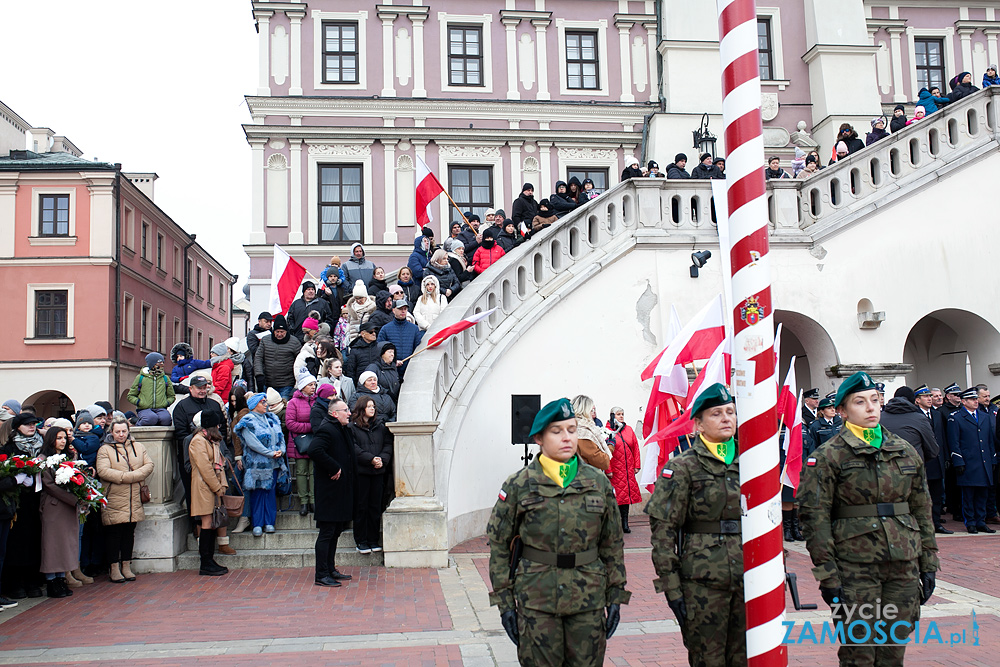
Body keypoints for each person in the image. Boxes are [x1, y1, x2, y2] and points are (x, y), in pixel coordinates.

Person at [799, 372, 938, 666]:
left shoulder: (904, 450)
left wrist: (929, 564)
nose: (871, 408)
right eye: (860, 402)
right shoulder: (828, 456)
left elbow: (922, 509)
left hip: (902, 563)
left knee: (893, 649)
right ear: (842, 410)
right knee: (859, 651)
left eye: (875, 400)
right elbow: (815, 518)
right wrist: (828, 575)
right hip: (854, 568)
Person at [487, 397, 629, 666]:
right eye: (557, 431)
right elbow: (499, 546)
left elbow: (612, 544)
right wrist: (505, 604)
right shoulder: (519, 485)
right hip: (537, 602)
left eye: (572, 430)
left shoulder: (597, 482)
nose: (567, 438)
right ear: (539, 438)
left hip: (588, 600)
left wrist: (617, 595)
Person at [647, 384, 746, 666]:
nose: (727, 418)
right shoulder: (682, 467)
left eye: (731, 412)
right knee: (708, 659)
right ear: (699, 424)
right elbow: (663, 533)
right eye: (717, 414)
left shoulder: (752, 461)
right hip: (702, 581)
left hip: (748, 576)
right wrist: (672, 589)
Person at [97, 417, 154, 584]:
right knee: (114, 534)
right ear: (112, 432)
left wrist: (131, 477)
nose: (121, 434)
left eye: (123, 431)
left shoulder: (138, 446)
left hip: (134, 498)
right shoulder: (105, 449)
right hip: (114, 496)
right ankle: (114, 567)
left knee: (129, 532)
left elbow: (149, 465)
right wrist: (128, 477)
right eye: (117, 432)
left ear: (128, 431)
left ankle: (126, 565)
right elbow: (103, 471)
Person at [311, 398, 357, 586]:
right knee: (327, 532)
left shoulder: (343, 429)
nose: (349, 413)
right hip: (329, 492)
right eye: (345, 410)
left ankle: (330, 569)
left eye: (348, 410)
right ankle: (321, 574)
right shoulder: (326, 429)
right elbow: (315, 450)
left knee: (335, 531)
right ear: (333, 413)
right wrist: (334, 467)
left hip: (341, 491)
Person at [234, 393, 288, 537]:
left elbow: (281, 437)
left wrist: (281, 451)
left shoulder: (273, 418)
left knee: (270, 492)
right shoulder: (247, 420)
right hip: (257, 463)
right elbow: (252, 443)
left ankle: (270, 522)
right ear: (254, 405)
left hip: (274, 463)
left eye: (266, 402)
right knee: (258, 493)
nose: (266, 404)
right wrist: (270, 453)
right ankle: (257, 523)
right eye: (262, 402)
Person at [2, 412, 44, 598]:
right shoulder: (9, 448)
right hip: (18, 502)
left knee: (36, 540)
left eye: (34, 423)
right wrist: (17, 479)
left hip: (37, 499)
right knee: (18, 543)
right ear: (18, 427)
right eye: (27, 424)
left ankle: (33, 581)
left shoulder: (41, 446)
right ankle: (15, 584)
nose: (31, 426)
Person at [38, 427, 83, 598]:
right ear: (51, 439)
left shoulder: (69, 457)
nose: (63, 441)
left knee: (66, 543)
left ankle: (62, 578)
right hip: (54, 505)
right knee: (52, 544)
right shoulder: (44, 459)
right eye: (58, 438)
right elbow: (49, 484)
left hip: (68, 506)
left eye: (64, 437)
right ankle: (51, 581)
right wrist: (72, 498)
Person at [947, 387, 997, 533]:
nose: (976, 402)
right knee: (969, 495)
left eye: (976, 399)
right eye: (972, 399)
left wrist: (992, 459)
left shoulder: (984, 416)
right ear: (964, 402)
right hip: (968, 462)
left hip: (984, 461)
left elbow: (989, 441)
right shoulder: (955, 417)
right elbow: (954, 442)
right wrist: (958, 461)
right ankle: (971, 522)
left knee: (983, 494)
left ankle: (981, 521)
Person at [188, 411, 230, 576]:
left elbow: (218, 464)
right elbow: (205, 468)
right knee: (206, 523)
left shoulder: (209, 440)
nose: (219, 427)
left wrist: (222, 485)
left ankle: (209, 560)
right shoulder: (198, 441)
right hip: (203, 487)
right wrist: (217, 487)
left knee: (211, 523)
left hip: (211, 486)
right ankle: (205, 562)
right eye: (217, 425)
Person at [350, 396, 393, 554]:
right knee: (361, 506)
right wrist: (370, 459)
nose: (372, 409)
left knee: (376, 506)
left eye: (373, 406)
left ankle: (373, 539)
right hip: (362, 472)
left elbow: (388, 444)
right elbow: (353, 448)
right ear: (362, 408)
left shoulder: (380, 426)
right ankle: (361, 540)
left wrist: (382, 459)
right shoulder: (352, 427)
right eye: (369, 406)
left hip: (378, 472)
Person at [912, 385, 951, 534]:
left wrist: (946, 457)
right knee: (922, 496)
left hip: (938, 461)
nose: (929, 399)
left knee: (937, 495)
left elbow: (942, 438)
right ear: (917, 400)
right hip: (924, 461)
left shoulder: (937, 414)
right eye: (925, 397)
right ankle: (923, 525)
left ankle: (936, 523)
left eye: (930, 396)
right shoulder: (915, 415)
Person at [285, 373, 318, 517]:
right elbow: (290, 423)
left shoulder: (317, 401)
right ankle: (304, 501)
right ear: (303, 386)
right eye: (310, 385)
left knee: (313, 471)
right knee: (301, 471)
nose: (313, 387)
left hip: (315, 442)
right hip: (300, 442)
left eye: (314, 385)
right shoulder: (293, 402)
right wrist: (311, 427)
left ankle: (313, 500)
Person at [879, 386, 939, 462]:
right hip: (912, 468)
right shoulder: (920, 419)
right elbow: (933, 450)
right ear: (914, 401)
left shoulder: (879, 418)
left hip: (885, 469)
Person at [605, 408, 640, 534]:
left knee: (626, 497)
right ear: (612, 416)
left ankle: (625, 523)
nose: (621, 417)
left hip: (627, 468)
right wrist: (608, 469)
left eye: (622, 414)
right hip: (615, 470)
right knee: (616, 497)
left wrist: (637, 465)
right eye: (618, 414)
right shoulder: (607, 431)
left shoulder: (629, 430)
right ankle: (616, 523)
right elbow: (605, 452)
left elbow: (635, 447)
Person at [253, 314, 302, 400]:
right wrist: (259, 375)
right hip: (268, 383)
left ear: (286, 331)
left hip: (286, 384)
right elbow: (258, 358)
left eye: (282, 332)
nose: (279, 334)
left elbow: (300, 361)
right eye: (277, 332)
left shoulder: (294, 342)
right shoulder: (265, 340)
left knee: (283, 409)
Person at [376, 300, 422, 379]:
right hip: (391, 370)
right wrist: (393, 362)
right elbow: (379, 350)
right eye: (400, 309)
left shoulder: (414, 329)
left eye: (405, 309)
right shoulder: (386, 329)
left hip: (409, 370)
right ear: (393, 310)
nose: (403, 311)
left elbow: (418, 348)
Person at [127, 352, 174, 426]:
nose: (162, 365)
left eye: (162, 363)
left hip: (161, 408)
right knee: (151, 418)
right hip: (144, 409)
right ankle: (137, 426)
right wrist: (140, 403)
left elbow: (171, 395)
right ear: (152, 364)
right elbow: (131, 395)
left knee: (166, 419)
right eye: (159, 363)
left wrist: (166, 402)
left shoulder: (165, 378)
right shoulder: (141, 378)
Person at [570, 395, 611, 471]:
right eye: (591, 410)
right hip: (584, 478)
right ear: (585, 411)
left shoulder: (569, 427)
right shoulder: (583, 433)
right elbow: (602, 462)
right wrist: (610, 446)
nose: (593, 413)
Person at [344, 321, 381, 385]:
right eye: (371, 332)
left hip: (378, 383)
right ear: (362, 334)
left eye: (375, 332)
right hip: (361, 385)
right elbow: (351, 371)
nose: (374, 334)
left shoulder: (379, 347)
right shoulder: (355, 350)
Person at [245, 312, 272, 392]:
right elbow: (254, 350)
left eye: (270, 322)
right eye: (266, 321)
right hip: (261, 369)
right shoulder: (252, 334)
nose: (269, 324)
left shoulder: (274, 333)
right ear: (259, 321)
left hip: (273, 370)